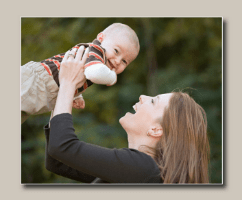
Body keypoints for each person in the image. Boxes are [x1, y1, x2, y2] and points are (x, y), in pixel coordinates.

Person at [45, 47, 210, 184]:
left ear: (156, 129)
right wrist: (65, 92)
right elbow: (58, 162)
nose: (143, 97)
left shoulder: (144, 169)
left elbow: (61, 147)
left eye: (153, 101)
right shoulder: (141, 173)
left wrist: (68, 82)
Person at [21, 23, 140, 123]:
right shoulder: (97, 51)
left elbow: (78, 73)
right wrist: (112, 78)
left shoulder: (95, 60)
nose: (118, 61)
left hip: (39, 90)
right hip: (35, 81)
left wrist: (77, 94)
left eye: (124, 61)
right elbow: (94, 73)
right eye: (116, 51)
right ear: (101, 39)